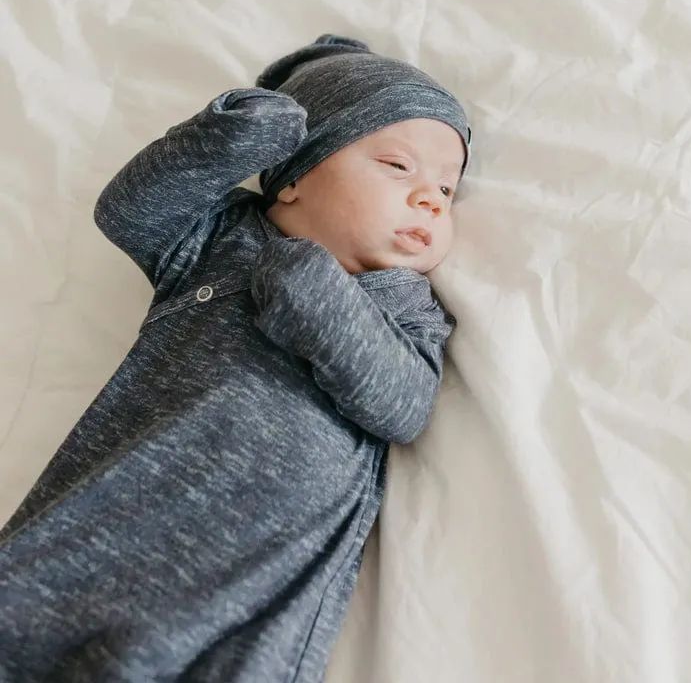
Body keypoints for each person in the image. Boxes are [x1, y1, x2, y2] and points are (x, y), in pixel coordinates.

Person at [0, 34, 471, 683]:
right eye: (398, 166)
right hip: (95, 535)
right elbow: (128, 210)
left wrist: (309, 287)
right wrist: (251, 129)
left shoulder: (404, 303)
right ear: (295, 178)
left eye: (448, 187)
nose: (431, 198)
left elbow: (403, 405)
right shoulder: (220, 239)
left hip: (248, 600)